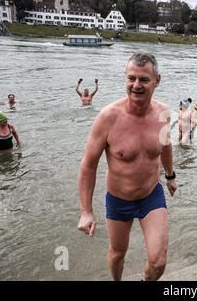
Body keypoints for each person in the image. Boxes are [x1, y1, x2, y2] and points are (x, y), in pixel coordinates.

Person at [77, 52, 177, 282]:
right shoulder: (108, 117)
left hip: (151, 195)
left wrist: (170, 176)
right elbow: (88, 166)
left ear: (157, 80)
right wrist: (86, 211)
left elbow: (165, 145)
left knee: (158, 261)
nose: (136, 85)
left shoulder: (163, 113)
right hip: (118, 199)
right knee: (117, 254)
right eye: (131, 78)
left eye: (143, 79)